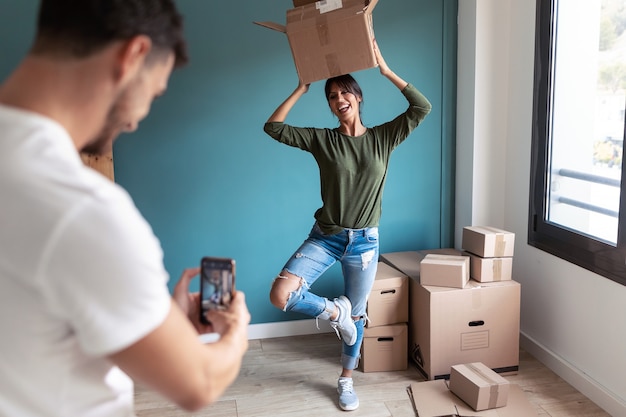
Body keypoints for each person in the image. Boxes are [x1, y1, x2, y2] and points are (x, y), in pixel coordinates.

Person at [0, 1, 250, 416]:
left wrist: (150, 317)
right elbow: (199, 383)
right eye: (153, 92)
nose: (136, 120)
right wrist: (237, 329)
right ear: (132, 56)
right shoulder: (81, 210)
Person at [263, 41, 432, 411]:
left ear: (358, 97)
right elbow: (273, 128)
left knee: (358, 315)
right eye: (331, 96)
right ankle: (334, 313)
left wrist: (385, 69)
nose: (338, 99)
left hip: (365, 243)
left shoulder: (384, 138)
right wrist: (300, 88)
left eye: (344, 93)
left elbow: (422, 106)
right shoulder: (323, 140)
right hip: (326, 237)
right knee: (282, 295)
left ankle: (345, 380)